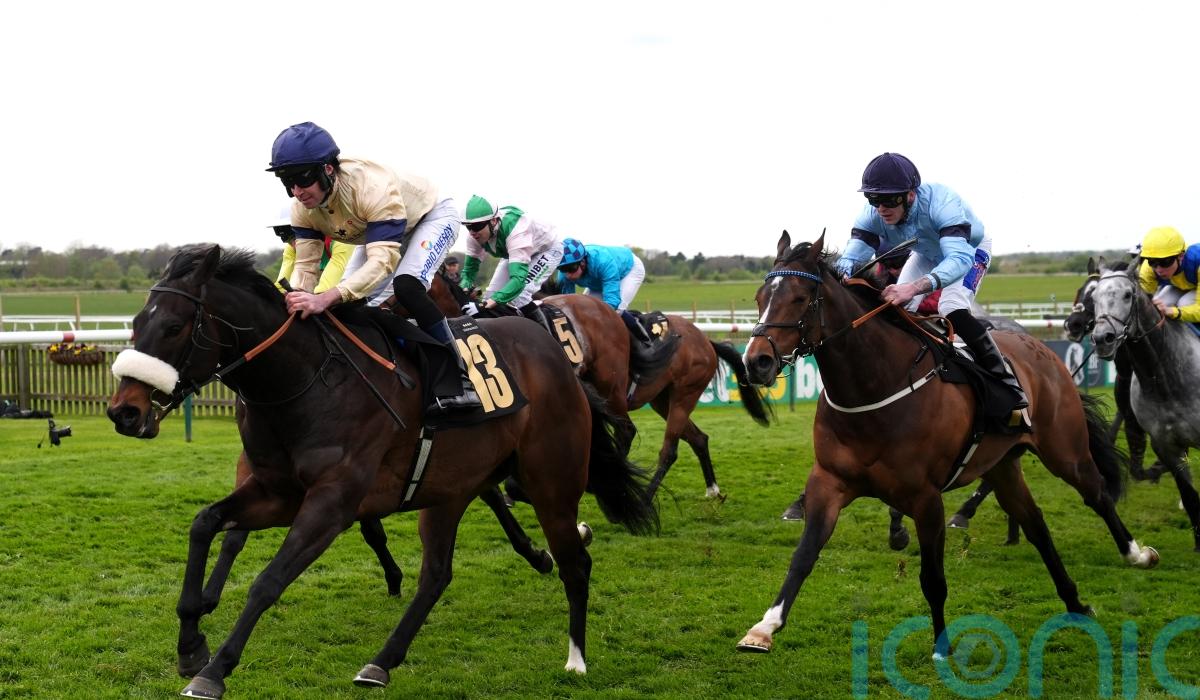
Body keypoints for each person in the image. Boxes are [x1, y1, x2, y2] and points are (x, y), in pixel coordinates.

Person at [266, 121, 479, 413]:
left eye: (301, 180)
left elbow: (382, 261)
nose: (296, 191)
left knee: (407, 287)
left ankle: (461, 382)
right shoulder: (302, 209)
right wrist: (301, 299)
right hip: (378, 231)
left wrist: (325, 297)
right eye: (287, 182)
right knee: (348, 304)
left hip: (430, 217)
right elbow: (306, 266)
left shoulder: (372, 187)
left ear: (327, 169)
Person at [833, 152, 1027, 410]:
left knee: (951, 307)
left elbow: (958, 259)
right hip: (926, 252)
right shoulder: (872, 214)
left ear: (910, 195)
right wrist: (838, 276)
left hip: (968, 251)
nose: (881, 208)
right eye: (873, 199)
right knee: (896, 306)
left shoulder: (942, 203)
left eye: (888, 200)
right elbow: (851, 257)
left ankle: (1005, 380)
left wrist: (914, 287)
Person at [458, 195, 563, 331]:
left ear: (493, 221)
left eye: (477, 226)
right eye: (468, 227)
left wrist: (484, 305)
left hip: (547, 250)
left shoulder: (516, 231)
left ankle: (547, 337)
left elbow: (518, 281)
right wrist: (463, 289)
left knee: (520, 294)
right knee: (490, 296)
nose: (472, 232)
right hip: (514, 252)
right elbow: (469, 272)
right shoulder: (474, 236)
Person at [555, 238, 653, 344]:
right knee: (585, 310)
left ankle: (644, 341)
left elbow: (612, 302)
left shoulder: (603, 262)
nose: (568, 275)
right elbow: (568, 305)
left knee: (616, 311)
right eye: (563, 269)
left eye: (571, 268)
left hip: (629, 270)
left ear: (582, 262)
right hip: (599, 278)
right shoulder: (563, 275)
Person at [272, 207, 352, 295]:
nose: (294, 246)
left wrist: (311, 298)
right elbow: (280, 286)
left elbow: (325, 289)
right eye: (287, 240)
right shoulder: (291, 248)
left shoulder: (340, 239)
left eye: (297, 238)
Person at [1138, 226, 1200, 326]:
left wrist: (1174, 312)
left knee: (1184, 304)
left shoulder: (1197, 259)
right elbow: (1142, 301)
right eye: (1152, 262)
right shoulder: (1148, 269)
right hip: (1181, 286)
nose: (1159, 270)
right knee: (1159, 305)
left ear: (1180, 256)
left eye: (1165, 262)